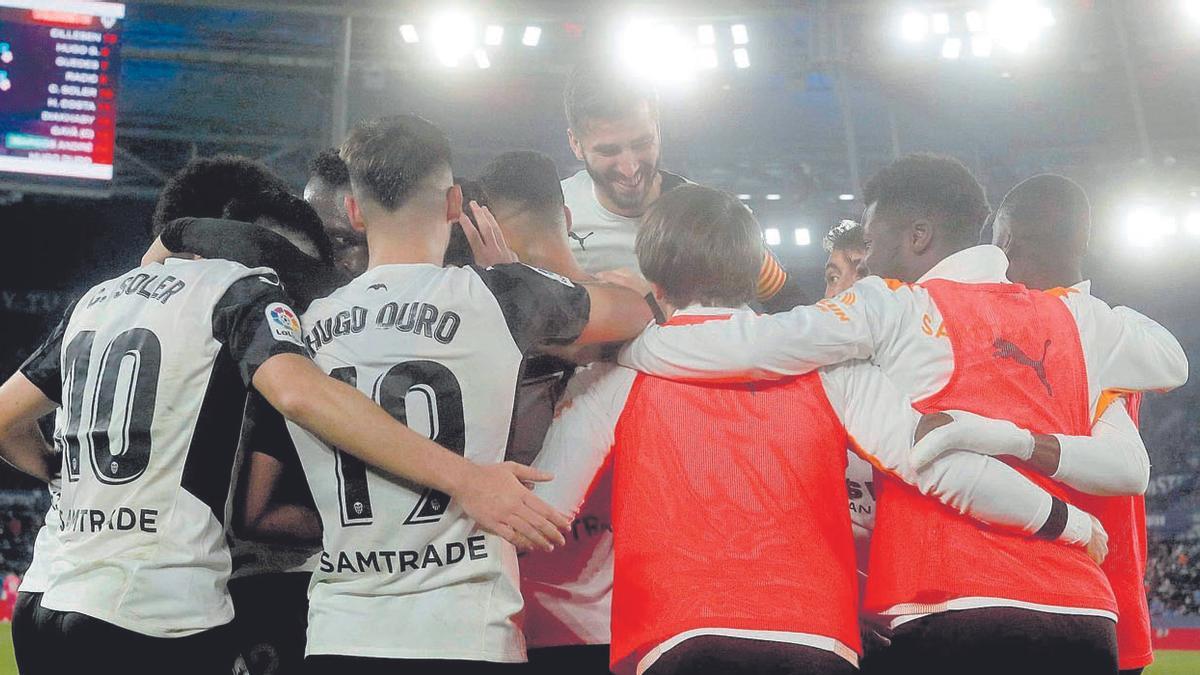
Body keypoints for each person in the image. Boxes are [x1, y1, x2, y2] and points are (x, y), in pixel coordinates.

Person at [619, 155, 1189, 674]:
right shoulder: (1079, 318)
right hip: (1085, 613)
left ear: (918, 235)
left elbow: (751, 346)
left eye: (872, 239)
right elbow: (1170, 364)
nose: (866, 258)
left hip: (949, 603)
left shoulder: (893, 306)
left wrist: (636, 347)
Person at [0, 185, 570, 675]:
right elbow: (299, 393)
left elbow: (5, 419)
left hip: (44, 595)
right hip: (154, 608)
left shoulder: (98, 300)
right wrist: (466, 479)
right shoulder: (238, 290)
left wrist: (55, 469)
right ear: (239, 238)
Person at [273, 115, 649, 674]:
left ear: (354, 211)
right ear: (454, 204)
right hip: (467, 632)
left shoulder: (304, 325)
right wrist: (537, 281)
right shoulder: (500, 296)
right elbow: (639, 313)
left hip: (340, 630)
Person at [989, 174, 1156, 675]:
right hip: (1113, 591)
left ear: (1004, 239)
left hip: (1036, 591)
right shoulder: (1117, 332)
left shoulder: (1014, 329)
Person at [479, 150, 612, 673]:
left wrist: (503, 282)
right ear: (569, 216)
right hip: (620, 618)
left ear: (483, 223)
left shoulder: (469, 314)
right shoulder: (634, 299)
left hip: (511, 617)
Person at [560, 60, 805, 310]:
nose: (629, 168)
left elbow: (790, 304)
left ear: (658, 128)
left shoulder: (711, 219)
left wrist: (652, 306)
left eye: (642, 143)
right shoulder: (547, 215)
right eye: (609, 151)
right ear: (575, 143)